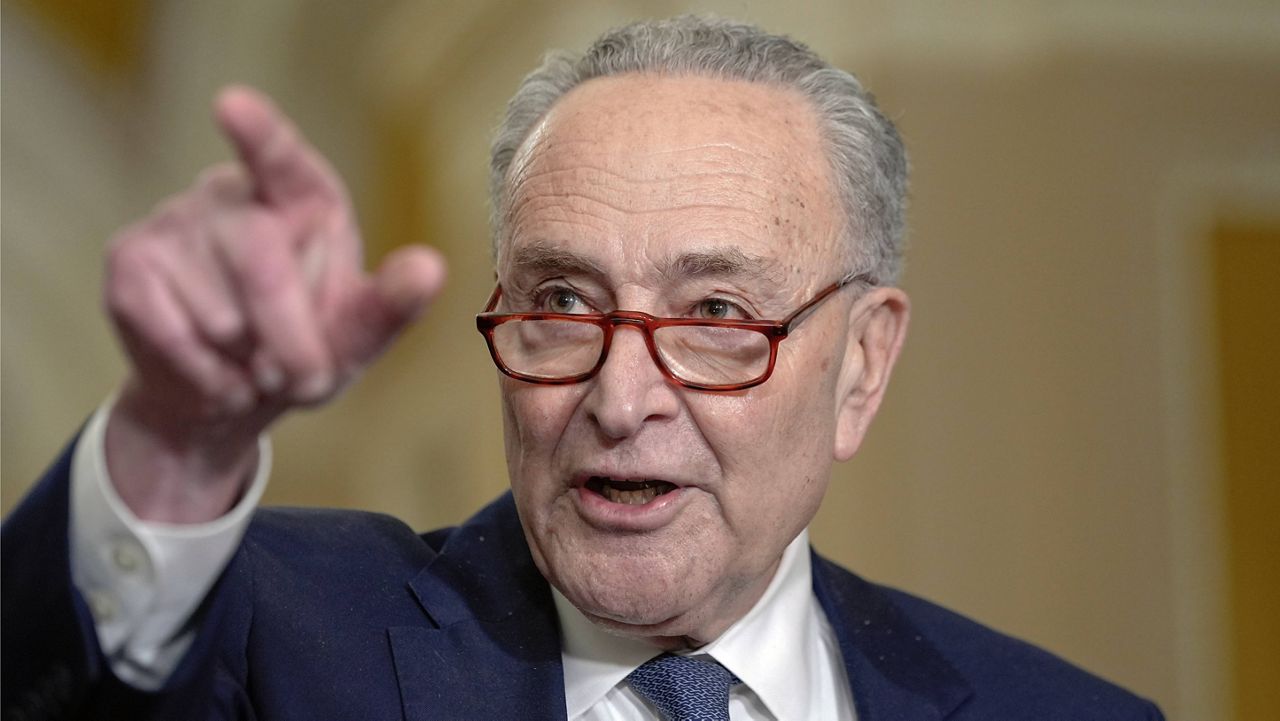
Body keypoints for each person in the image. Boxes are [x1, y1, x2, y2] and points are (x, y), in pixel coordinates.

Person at [2, 15, 1163, 721]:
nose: (618, 399)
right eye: (563, 301)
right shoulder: (277, 634)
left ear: (860, 365)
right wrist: (172, 442)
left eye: (715, 313)